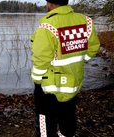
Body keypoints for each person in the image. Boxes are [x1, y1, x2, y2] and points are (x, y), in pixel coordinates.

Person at [30, 0, 100, 136]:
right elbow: (93, 47)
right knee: (67, 117)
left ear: (49, 3)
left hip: (49, 86)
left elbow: (41, 58)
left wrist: (37, 81)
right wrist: (79, 61)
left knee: (45, 119)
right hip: (72, 83)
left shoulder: (48, 26)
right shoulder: (86, 21)